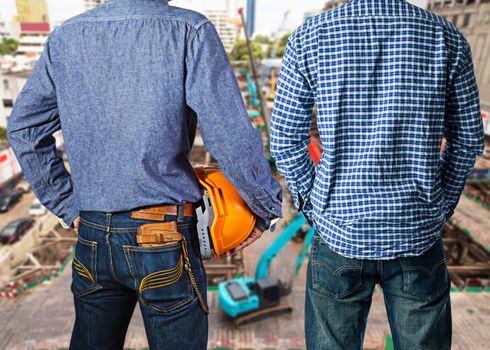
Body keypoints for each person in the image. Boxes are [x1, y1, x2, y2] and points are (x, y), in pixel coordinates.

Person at [6, 0, 282, 349]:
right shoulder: (189, 30)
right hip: (163, 236)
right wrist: (264, 206)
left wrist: (68, 205)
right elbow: (229, 134)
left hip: (92, 236)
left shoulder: (65, 36)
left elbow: (24, 128)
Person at [270, 0, 484, 349]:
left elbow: (285, 140)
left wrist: (314, 205)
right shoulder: (446, 37)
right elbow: (467, 140)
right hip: (417, 234)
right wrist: (437, 206)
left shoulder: (310, 36)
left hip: (340, 233)